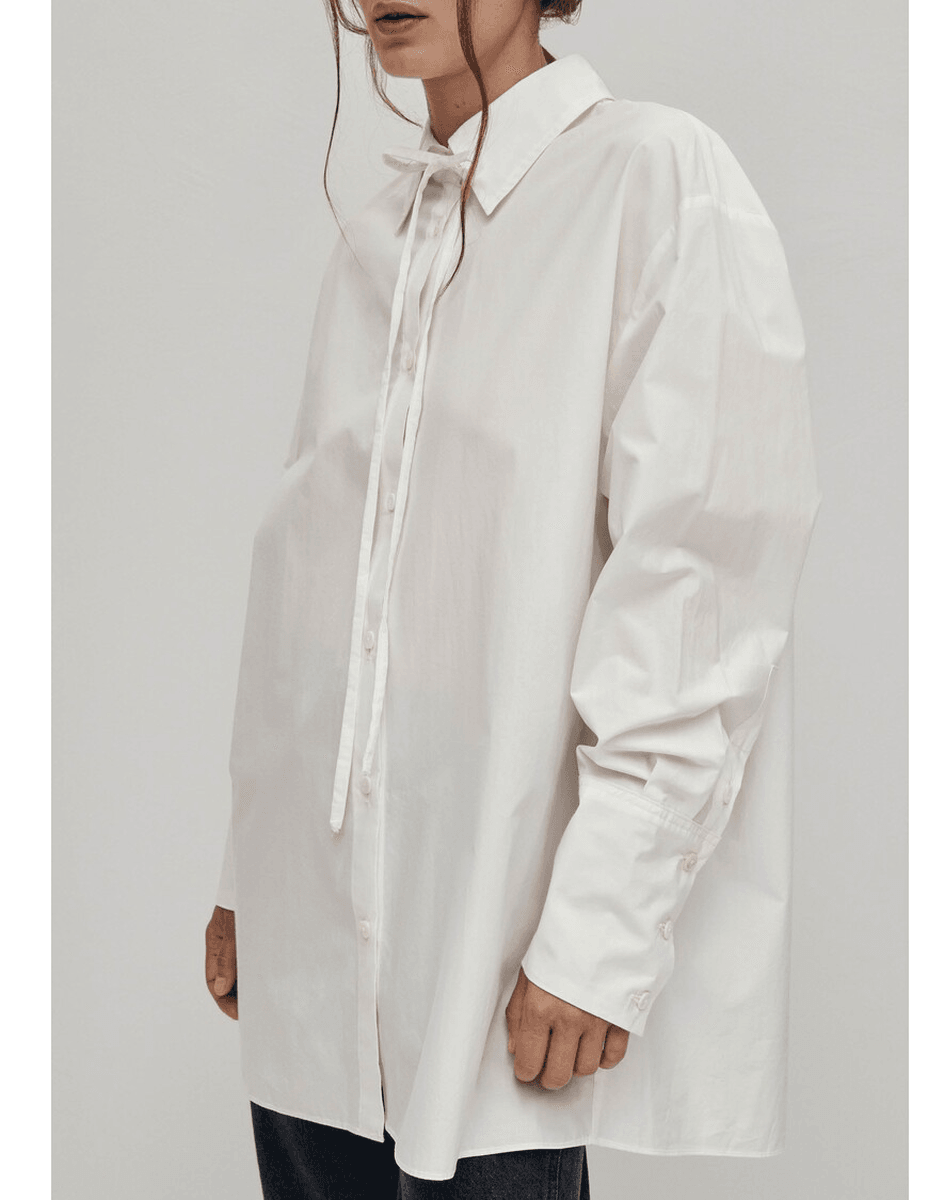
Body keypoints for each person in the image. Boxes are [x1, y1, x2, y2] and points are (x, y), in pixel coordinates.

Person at [204, 2, 821, 1197]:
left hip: (501, 950)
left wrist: (603, 933)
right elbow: (316, 587)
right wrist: (250, 876)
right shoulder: (383, 230)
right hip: (313, 958)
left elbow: (702, 585)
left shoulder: (652, 179)